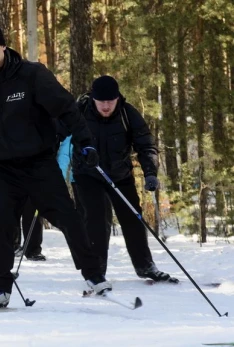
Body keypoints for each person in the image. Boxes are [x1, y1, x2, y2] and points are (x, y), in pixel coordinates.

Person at [0, 23, 110, 308]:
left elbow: (66, 109)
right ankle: (0, 289)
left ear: (4, 46)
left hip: (39, 163)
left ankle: (94, 275)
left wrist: (85, 143)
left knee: (67, 217)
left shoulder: (31, 75)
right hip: (1, 167)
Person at [71, 75, 177, 283]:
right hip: (87, 174)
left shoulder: (128, 114)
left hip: (120, 174)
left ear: (118, 98)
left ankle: (145, 265)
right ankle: (96, 271)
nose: (106, 106)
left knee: (133, 218)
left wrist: (150, 174)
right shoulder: (80, 112)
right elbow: (57, 132)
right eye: (101, 101)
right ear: (93, 98)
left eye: (110, 101)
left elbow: (146, 146)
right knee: (96, 218)